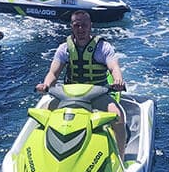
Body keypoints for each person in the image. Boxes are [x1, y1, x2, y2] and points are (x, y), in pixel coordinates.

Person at [36, 10, 127, 157]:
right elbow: (53, 73)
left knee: (117, 116)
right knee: (43, 115)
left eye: (84, 25)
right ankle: (41, 154)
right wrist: (45, 85)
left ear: (90, 25)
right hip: (69, 96)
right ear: (71, 26)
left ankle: (120, 155)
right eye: (76, 25)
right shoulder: (64, 48)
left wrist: (118, 80)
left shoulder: (103, 47)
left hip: (97, 95)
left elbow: (114, 67)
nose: (81, 29)